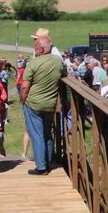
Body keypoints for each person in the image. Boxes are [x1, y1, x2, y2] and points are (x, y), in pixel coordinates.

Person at [20, 34, 65, 175]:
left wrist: (23, 100)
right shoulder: (58, 61)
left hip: (33, 104)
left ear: (41, 48)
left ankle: (41, 167)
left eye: (35, 47)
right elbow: (64, 74)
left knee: (37, 135)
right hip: (50, 103)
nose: (35, 49)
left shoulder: (33, 63)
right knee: (47, 134)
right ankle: (48, 160)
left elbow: (24, 86)